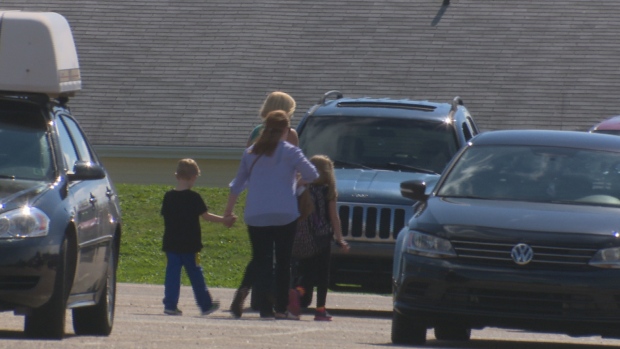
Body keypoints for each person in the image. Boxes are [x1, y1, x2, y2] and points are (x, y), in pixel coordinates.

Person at [225, 110, 318, 320]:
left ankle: (255, 301)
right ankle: (280, 308)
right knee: (284, 262)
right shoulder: (290, 151)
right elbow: (313, 174)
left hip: (256, 213)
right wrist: (296, 181)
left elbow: (237, 184)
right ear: (286, 130)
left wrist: (228, 210)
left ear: (265, 127)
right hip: (285, 213)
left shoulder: (251, 152)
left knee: (261, 259)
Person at [231, 90, 299, 316]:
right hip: (282, 202)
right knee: (281, 259)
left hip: (256, 200)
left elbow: (247, 168)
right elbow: (298, 165)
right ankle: (276, 304)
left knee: (260, 256)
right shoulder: (288, 134)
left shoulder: (255, 133)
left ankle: (246, 290)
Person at [161, 158, 236, 316]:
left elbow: (166, 218)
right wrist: (224, 220)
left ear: (177, 176)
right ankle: (205, 304)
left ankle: (170, 304)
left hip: (171, 243)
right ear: (193, 177)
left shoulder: (168, 197)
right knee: (195, 274)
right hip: (190, 244)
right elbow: (206, 216)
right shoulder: (194, 197)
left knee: (172, 275)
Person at [288, 155, 349, 321]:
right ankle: (320, 309)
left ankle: (298, 291)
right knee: (322, 275)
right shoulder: (327, 191)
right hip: (321, 239)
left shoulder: (301, 189)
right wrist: (340, 238)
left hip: (300, 237)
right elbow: (333, 217)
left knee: (306, 271)